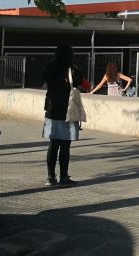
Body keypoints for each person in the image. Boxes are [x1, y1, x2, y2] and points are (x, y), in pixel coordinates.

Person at [42, 44, 83, 186]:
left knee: (53, 144)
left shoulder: (49, 67)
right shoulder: (71, 69)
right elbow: (80, 82)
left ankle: (50, 177)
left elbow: (44, 81)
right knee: (65, 145)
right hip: (68, 110)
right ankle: (64, 177)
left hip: (52, 109)